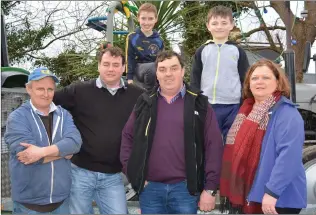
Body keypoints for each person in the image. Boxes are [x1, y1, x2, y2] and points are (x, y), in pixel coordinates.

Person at [120, 50, 224, 214]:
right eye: (162, 69)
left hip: (186, 190)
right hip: (150, 189)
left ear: (182, 71)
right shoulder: (144, 102)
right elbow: (127, 137)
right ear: (156, 74)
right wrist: (133, 173)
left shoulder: (199, 103)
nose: (168, 74)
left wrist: (210, 187)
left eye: (174, 68)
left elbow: (214, 146)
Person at [53, 46, 144, 214]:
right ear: (98, 66)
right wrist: (61, 143)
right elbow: (46, 102)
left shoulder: (138, 95)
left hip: (114, 176)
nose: (111, 69)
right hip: (80, 173)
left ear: (124, 68)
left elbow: (153, 124)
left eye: (116, 65)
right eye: (106, 64)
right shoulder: (79, 91)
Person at [220, 59, 307, 214]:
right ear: (248, 84)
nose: (259, 82)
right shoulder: (245, 112)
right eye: (254, 78)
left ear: (278, 83)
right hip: (251, 194)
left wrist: (272, 192)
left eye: (266, 77)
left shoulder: (287, 113)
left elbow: (289, 157)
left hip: (278, 199)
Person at [4, 68, 82, 214]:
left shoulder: (63, 114)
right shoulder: (17, 117)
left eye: (50, 89)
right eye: (40, 89)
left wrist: (41, 152)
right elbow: (27, 156)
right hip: (29, 205)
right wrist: (63, 151)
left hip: (62, 202)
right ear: (29, 89)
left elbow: (75, 142)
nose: (46, 94)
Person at [190, 5, 249, 143]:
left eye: (224, 23)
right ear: (208, 26)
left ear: (231, 25)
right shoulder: (202, 51)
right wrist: (196, 99)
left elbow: (245, 78)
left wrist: (243, 101)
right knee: (211, 142)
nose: (219, 27)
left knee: (231, 142)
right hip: (209, 104)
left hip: (233, 105)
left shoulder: (238, 51)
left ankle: (228, 165)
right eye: (214, 23)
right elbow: (195, 78)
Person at [125, 2, 164, 91]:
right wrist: (129, 79)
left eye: (150, 19)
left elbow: (162, 60)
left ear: (156, 19)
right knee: (152, 67)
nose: (146, 22)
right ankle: (150, 94)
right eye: (143, 18)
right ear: (138, 18)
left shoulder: (159, 40)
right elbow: (129, 58)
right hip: (138, 70)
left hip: (154, 73)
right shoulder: (132, 37)